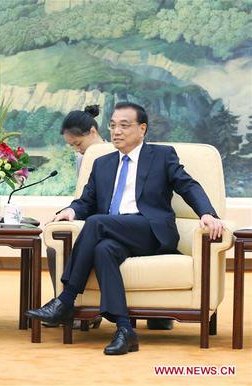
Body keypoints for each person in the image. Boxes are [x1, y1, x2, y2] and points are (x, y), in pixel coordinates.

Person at [26, 102, 224, 355]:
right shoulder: (103, 163)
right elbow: (87, 200)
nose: (116, 131)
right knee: (104, 250)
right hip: (114, 232)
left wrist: (207, 213)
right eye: (112, 125)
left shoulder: (162, 156)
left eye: (124, 125)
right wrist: (71, 211)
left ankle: (65, 300)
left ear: (142, 129)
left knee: (97, 223)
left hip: (150, 232)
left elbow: (188, 185)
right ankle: (124, 331)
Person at [45, 105, 104, 329]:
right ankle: (61, 303)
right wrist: (67, 212)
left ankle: (79, 308)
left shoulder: (114, 152)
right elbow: (85, 197)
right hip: (86, 212)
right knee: (55, 241)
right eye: (72, 146)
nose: (77, 151)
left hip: (107, 217)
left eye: (78, 144)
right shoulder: (83, 158)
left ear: (92, 132)